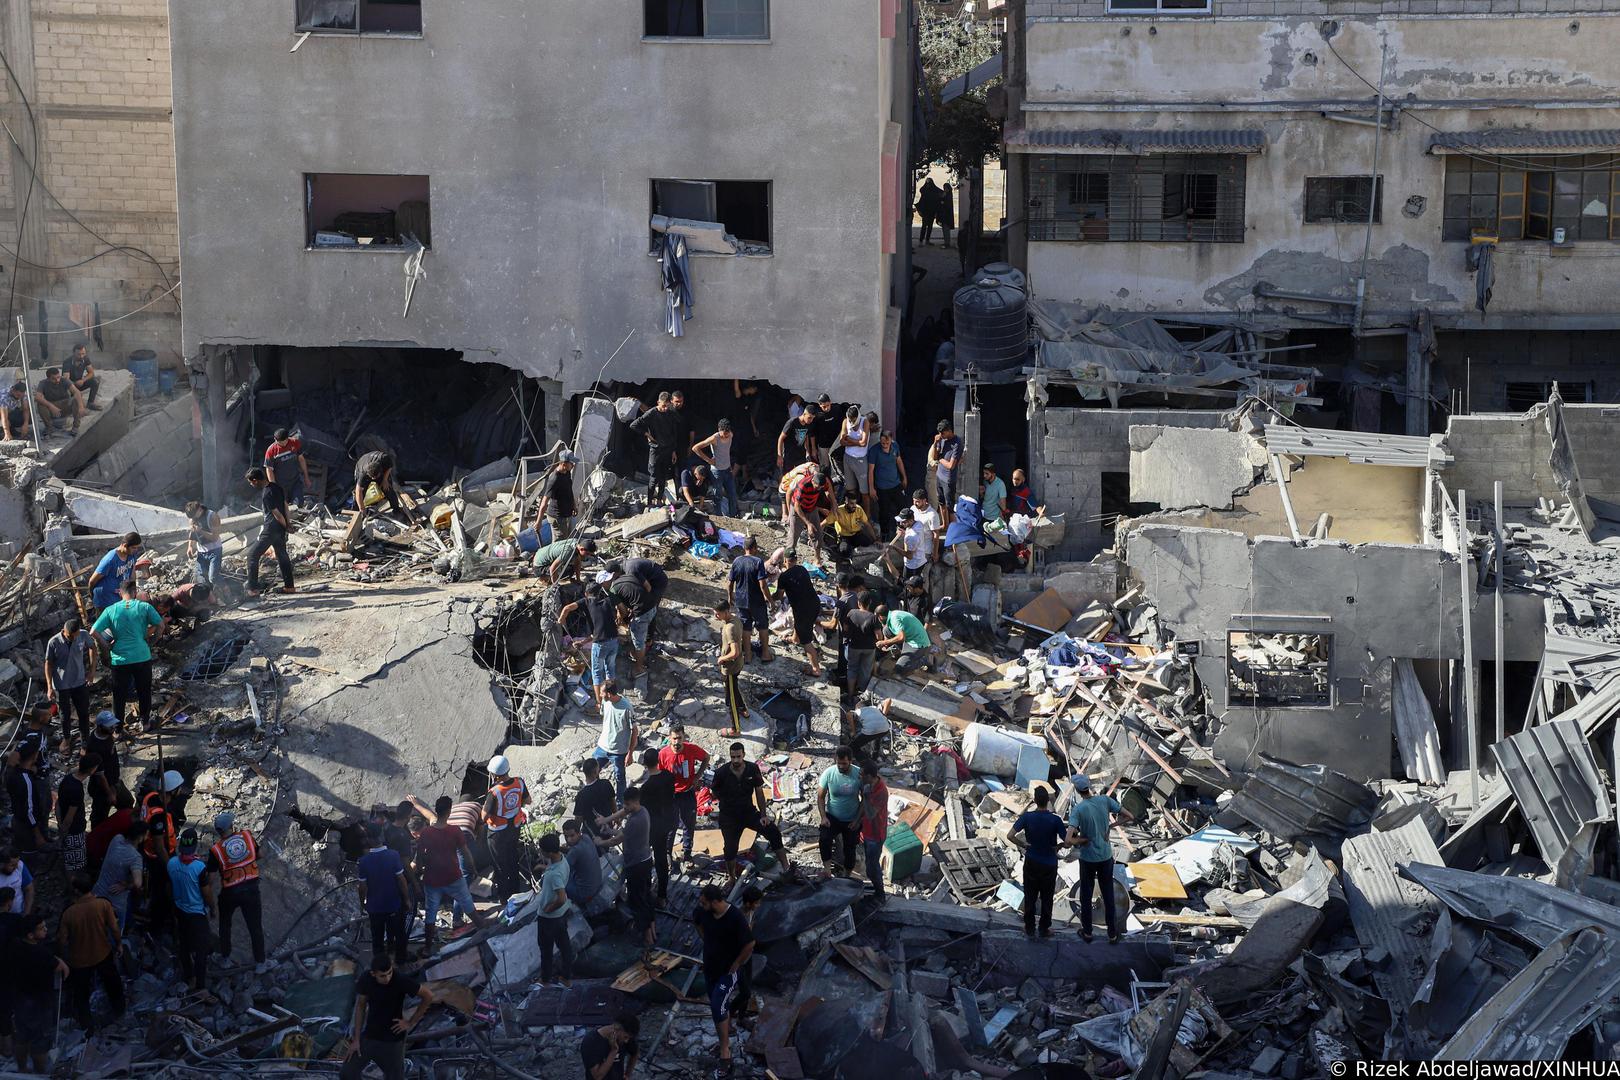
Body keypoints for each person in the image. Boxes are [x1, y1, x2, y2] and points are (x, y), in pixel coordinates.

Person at [694, 882, 754, 1079]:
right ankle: (726, 1029)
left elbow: (750, 943)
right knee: (717, 1004)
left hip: (728, 971)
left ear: (714, 902)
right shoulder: (703, 912)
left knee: (718, 1003)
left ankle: (725, 1052)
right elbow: (698, 923)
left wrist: (737, 963)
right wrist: (708, 942)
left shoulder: (735, 918)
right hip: (710, 967)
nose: (701, 905)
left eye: (704, 903)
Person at [341, 952, 433, 1080]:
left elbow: (428, 995)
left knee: (395, 1077)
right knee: (347, 1072)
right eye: (382, 976)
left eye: (389, 973)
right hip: (370, 1036)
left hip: (393, 1040)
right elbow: (361, 1006)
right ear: (373, 974)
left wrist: (410, 1022)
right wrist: (356, 1039)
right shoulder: (366, 979)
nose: (388, 978)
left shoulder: (400, 980)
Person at [1066, 773, 1135, 944]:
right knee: (1108, 894)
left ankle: (1088, 932)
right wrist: (1110, 826)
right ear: (1088, 787)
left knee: (1086, 894)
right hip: (1105, 857)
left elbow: (1068, 840)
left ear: (1077, 790)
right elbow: (1129, 816)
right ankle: (1112, 934)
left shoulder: (1078, 810)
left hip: (1088, 859)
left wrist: (1080, 840)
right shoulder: (1105, 800)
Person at [415, 796, 486, 953]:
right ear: (449, 811)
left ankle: (427, 947)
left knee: (431, 912)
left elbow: (419, 856)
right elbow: (465, 853)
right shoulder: (455, 831)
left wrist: (420, 871)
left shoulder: (426, 833)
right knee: (469, 906)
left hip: (432, 879)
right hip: (454, 877)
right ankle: (486, 936)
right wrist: (473, 869)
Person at [711, 742, 788, 884]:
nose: (735, 760)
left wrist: (764, 815)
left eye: (738, 757)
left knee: (773, 831)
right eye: (733, 757)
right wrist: (725, 800)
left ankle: (786, 868)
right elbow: (714, 791)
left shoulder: (752, 769)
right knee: (730, 848)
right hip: (729, 816)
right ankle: (732, 877)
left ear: (743, 755)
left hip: (748, 812)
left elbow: (759, 792)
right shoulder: (721, 772)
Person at [92, 579, 161, 731]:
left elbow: (94, 632)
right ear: (135, 592)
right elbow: (160, 625)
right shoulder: (144, 607)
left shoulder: (111, 609)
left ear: (120, 593)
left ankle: (117, 730)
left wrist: (107, 648)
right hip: (142, 656)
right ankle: (146, 723)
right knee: (144, 691)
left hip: (120, 660)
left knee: (119, 695)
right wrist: (151, 642)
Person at [58, 873, 123, 1031]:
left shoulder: (69, 913)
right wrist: (119, 944)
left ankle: (87, 1026)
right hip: (103, 953)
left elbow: (62, 941)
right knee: (113, 985)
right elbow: (114, 928)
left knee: (81, 995)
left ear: (77, 892)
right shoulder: (103, 904)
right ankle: (120, 1013)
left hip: (79, 960)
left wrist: (63, 958)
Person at [207, 812, 269, 974]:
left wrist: (207, 899)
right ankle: (261, 963)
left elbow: (211, 878)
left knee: (225, 925)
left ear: (219, 831)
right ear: (231, 826)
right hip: (250, 888)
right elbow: (260, 854)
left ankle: (225, 958)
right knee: (255, 926)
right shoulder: (246, 836)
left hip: (230, 892)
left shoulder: (215, 850)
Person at [597, 788, 656, 953]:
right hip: (645, 860)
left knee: (637, 902)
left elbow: (616, 840)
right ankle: (652, 930)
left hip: (636, 865)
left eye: (627, 804)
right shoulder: (643, 812)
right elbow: (623, 833)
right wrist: (608, 827)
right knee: (646, 897)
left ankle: (647, 939)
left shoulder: (634, 821)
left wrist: (599, 842)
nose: (625, 807)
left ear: (635, 802)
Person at [6, 913, 65, 1073]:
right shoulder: (41, 953)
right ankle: (40, 1073)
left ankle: (22, 1068)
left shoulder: (15, 946)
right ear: (31, 935)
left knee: (22, 1036)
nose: (46, 930)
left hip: (19, 997)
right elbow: (61, 968)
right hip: (39, 1000)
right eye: (41, 928)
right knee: (40, 1040)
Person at [1012, 787, 1067, 939]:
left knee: (1030, 894)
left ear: (1035, 800)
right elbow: (1067, 842)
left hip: (1031, 861)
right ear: (1048, 801)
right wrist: (1059, 847)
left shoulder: (1027, 817)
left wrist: (1023, 845)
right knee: (1047, 897)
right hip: (1049, 863)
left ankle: (1029, 927)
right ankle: (1044, 929)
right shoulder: (1055, 819)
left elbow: (1010, 835)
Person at [561, 573, 620, 711]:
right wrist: (582, 643)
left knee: (597, 673)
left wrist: (562, 619)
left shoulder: (586, 601)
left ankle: (600, 704)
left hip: (600, 644)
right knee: (610, 669)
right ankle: (612, 697)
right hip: (614, 641)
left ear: (587, 593)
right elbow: (597, 633)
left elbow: (567, 608)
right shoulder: (606, 601)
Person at [168, 828, 216, 990]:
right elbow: (207, 893)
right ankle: (200, 987)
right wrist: (213, 908)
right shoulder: (199, 868)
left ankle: (188, 976)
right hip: (196, 913)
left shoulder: (172, 863)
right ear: (195, 846)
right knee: (201, 949)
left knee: (184, 944)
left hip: (179, 910)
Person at [139, 770, 184, 935]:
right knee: (162, 892)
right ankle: (156, 926)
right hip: (158, 857)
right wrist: (171, 866)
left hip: (148, 849)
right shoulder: (159, 816)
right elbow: (159, 847)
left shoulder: (151, 796)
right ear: (173, 791)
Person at [357, 825, 410, 964]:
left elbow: (362, 887)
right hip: (393, 905)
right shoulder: (393, 855)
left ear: (368, 839)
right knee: (399, 934)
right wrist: (407, 899)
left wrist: (362, 903)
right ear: (382, 837)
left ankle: (380, 965)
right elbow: (401, 880)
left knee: (377, 938)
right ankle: (400, 961)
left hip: (375, 908)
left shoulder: (364, 861)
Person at [659, 724, 709, 868]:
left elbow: (706, 757)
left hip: (687, 793)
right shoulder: (663, 754)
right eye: (674, 738)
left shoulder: (691, 749)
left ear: (683, 737)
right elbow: (659, 773)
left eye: (679, 738)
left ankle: (687, 854)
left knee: (689, 824)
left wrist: (698, 776)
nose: (676, 742)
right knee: (670, 825)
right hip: (671, 796)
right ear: (669, 738)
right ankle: (667, 853)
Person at [608, 557, 668, 673]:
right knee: (650, 610)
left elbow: (648, 588)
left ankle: (648, 642)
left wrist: (642, 605)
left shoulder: (631, 570)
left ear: (615, 573)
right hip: (650, 582)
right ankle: (647, 637)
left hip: (657, 582)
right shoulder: (626, 568)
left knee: (649, 615)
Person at [483, 755, 530, 902]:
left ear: (494, 775)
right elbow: (528, 800)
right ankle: (516, 890)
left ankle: (504, 896)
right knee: (512, 858)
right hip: (514, 827)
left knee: (500, 864)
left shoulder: (494, 792)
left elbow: (483, 816)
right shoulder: (519, 782)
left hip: (497, 833)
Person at [244, 466, 295, 597]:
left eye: (251, 482)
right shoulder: (276, 487)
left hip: (271, 528)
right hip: (279, 528)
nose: (251, 485)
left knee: (252, 556)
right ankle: (289, 587)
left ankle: (253, 590)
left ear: (255, 480)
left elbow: (277, 514)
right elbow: (285, 506)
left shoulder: (266, 493)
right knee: (282, 555)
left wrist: (286, 526)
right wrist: (288, 524)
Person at [771, 549, 823, 678]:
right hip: (815, 604)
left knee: (807, 642)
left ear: (785, 561)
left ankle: (816, 669)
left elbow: (779, 595)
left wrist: (769, 596)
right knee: (799, 621)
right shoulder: (802, 569)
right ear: (796, 559)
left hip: (803, 610)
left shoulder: (784, 577)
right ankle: (795, 638)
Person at [629, 391, 685, 508]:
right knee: (653, 477)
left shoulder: (671, 413)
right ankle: (650, 502)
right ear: (658, 402)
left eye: (667, 406)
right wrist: (647, 435)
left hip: (668, 449)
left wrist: (674, 450)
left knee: (663, 477)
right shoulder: (651, 413)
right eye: (663, 406)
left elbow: (674, 432)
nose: (665, 408)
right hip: (655, 449)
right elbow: (634, 425)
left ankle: (659, 500)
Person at [44, 617, 96, 743]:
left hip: (79, 681)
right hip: (62, 684)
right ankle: (66, 739)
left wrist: (92, 671)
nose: (73, 638)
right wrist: (49, 687)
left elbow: (93, 648)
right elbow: (48, 664)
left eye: (75, 636)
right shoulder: (54, 642)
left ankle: (85, 739)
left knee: (83, 712)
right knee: (64, 714)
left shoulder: (82, 635)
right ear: (64, 631)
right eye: (70, 636)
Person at [534, 833, 574, 987]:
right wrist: (545, 867)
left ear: (549, 852)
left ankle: (545, 980)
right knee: (564, 946)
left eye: (542, 850)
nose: (540, 852)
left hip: (549, 917)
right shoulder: (563, 860)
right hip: (562, 913)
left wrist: (548, 909)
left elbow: (561, 897)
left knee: (546, 950)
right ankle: (566, 977)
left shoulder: (554, 874)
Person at [817, 746, 863, 876]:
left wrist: (857, 820)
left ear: (851, 761)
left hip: (851, 819)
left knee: (850, 848)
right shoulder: (828, 773)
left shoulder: (858, 774)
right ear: (835, 760)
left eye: (844, 763)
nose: (841, 766)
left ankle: (847, 873)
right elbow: (820, 797)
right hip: (832, 817)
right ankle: (827, 869)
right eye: (839, 763)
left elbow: (865, 799)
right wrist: (823, 817)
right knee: (824, 839)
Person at [726, 535, 772, 665]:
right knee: (762, 626)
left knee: (746, 628)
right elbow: (763, 585)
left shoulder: (736, 561)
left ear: (744, 547)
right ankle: (765, 654)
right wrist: (771, 601)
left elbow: (729, 583)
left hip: (741, 601)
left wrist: (730, 597)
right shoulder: (758, 562)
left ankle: (748, 656)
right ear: (755, 548)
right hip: (756, 601)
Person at [638, 748, 677, 901]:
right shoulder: (668, 776)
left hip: (652, 827)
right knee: (661, 859)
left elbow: (641, 808)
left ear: (645, 765)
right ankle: (662, 895)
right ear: (658, 760)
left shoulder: (647, 787)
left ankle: (646, 891)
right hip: (667, 822)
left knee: (646, 858)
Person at [92, 819, 145, 931]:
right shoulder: (135, 858)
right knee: (115, 930)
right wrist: (126, 886)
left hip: (98, 892)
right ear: (141, 838)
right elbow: (138, 883)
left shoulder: (117, 839)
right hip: (115, 902)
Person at [594, 680, 637, 799]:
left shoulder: (626, 708)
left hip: (618, 751)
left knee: (620, 778)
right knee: (593, 770)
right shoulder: (605, 701)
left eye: (602, 693)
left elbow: (634, 731)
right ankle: (597, 796)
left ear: (609, 694)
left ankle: (620, 805)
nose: (600, 695)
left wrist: (630, 753)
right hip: (602, 746)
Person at [713, 601, 750, 737]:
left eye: (718, 613)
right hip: (738, 665)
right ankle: (743, 709)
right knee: (734, 689)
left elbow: (735, 652)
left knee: (730, 699)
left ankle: (735, 729)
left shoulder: (729, 628)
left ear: (726, 612)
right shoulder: (736, 619)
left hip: (730, 668)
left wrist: (722, 658)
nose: (716, 616)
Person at [692, 419, 739, 517]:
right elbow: (695, 448)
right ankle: (719, 517)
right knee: (718, 496)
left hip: (727, 469)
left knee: (732, 495)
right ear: (719, 430)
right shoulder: (714, 438)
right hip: (717, 471)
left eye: (727, 434)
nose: (725, 436)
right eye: (723, 434)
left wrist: (729, 465)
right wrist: (709, 460)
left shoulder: (731, 435)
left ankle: (733, 517)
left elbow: (726, 451)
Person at [857, 760, 889, 904]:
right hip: (867, 832)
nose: (860, 777)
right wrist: (857, 821)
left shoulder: (881, 791)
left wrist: (866, 795)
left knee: (872, 867)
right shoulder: (869, 784)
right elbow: (864, 808)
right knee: (870, 864)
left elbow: (870, 813)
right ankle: (877, 890)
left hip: (876, 835)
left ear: (870, 776)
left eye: (862, 775)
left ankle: (880, 894)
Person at [353, 448, 414, 523]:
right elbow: (358, 490)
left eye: (375, 478)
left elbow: (389, 467)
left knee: (388, 489)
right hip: (361, 465)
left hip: (377, 467)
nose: (373, 479)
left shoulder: (384, 458)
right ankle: (355, 513)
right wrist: (362, 508)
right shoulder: (363, 474)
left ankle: (396, 510)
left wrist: (385, 480)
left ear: (381, 470)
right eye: (372, 478)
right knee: (359, 494)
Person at [58, 754, 96, 875]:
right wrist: (65, 829)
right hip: (74, 831)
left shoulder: (68, 779)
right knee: (75, 865)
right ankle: (74, 888)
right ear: (92, 769)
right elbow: (70, 816)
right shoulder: (77, 789)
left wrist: (60, 824)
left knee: (69, 860)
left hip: (66, 827)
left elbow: (58, 804)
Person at [560, 819, 606, 917]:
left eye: (572, 836)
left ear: (579, 833)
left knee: (557, 882)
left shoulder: (575, 851)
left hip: (585, 893)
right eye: (566, 836)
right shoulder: (586, 837)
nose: (568, 840)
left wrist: (545, 866)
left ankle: (566, 911)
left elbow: (561, 871)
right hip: (597, 883)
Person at [4, 748, 47, 853]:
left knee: (20, 853)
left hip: (17, 821)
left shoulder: (12, 774)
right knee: (29, 855)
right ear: (34, 756)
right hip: (26, 827)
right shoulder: (26, 780)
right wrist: (38, 835)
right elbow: (29, 810)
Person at [868, 428, 908, 539]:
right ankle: (885, 533)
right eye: (882, 443)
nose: (884, 445)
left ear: (891, 440)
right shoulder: (874, 451)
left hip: (896, 484)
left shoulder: (895, 446)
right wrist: (871, 488)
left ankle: (902, 530)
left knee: (902, 507)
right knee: (884, 512)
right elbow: (871, 470)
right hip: (882, 487)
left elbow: (899, 461)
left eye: (887, 443)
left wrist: (904, 477)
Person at [842, 592, 882, 702]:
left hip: (854, 646)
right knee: (865, 670)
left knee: (852, 668)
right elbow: (879, 636)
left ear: (858, 603)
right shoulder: (873, 617)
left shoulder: (851, 613)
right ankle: (862, 695)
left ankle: (850, 694)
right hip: (869, 648)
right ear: (869, 603)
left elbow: (845, 628)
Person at [88, 532, 142, 612]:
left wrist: (133, 590)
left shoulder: (131, 554)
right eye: (134, 548)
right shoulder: (110, 560)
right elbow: (92, 580)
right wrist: (91, 595)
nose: (136, 550)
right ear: (124, 545)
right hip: (105, 599)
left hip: (119, 595)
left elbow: (132, 572)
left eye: (137, 548)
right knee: (106, 623)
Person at [85, 712, 121, 827]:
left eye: (113, 724)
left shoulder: (106, 734)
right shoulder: (95, 747)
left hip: (114, 780)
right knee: (99, 816)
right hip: (102, 787)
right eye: (110, 725)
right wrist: (110, 793)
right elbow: (100, 775)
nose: (113, 727)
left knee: (127, 801)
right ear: (100, 726)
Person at [876, 603, 934, 674]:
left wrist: (884, 642)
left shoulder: (894, 619)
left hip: (918, 643)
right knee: (886, 630)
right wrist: (886, 642)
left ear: (880, 617)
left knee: (900, 668)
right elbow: (889, 631)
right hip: (911, 636)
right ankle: (898, 652)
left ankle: (925, 660)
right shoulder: (892, 614)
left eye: (878, 618)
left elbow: (901, 637)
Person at [580, 1011, 640, 1080]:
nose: (626, 1041)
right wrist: (613, 1051)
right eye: (625, 1037)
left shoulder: (624, 1038)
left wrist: (627, 1075)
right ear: (617, 1029)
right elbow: (597, 1076)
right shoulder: (591, 1041)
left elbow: (635, 1053)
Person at [786, 466, 831, 558]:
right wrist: (808, 523)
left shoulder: (823, 482)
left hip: (811, 507)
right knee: (794, 535)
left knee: (817, 533)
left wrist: (834, 505)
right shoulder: (802, 485)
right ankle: (788, 560)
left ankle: (817, 559)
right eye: (817, 487)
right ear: (813, 482)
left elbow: (828, 490)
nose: (819, 489)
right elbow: (797, 506)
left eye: (820, 488)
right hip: (798, 509)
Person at [533, 453, 579, 541]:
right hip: (557, 517)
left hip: (566, 514)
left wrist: (574, 505)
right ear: (564, 464)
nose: (573, 465)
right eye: (571, 463)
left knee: (567, 539)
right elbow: (544, 502)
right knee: (559, 543)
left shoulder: (567, 472)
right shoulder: (554, 479)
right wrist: (539, 522)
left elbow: (569, 490)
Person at [573, 756, 617, 842]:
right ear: (596, 771)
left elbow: (578, 818)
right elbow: (613, 802)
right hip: (607, 825)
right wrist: (616, 817)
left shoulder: (581, 795)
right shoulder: (606, 784)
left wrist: (576, 835)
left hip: (591, 833)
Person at [822, 491, 876, 561]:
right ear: (846, 502)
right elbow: (823, 524)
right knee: (844, 551)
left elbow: (867, 524)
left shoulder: (858, 509)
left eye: (855, 503)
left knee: (868, 543)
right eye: (851, 503)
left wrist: (875, 539)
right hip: (844, 536)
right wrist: (819, 540)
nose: (854, 506)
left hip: (856, 534)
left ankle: (851, 547)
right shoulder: (838, 511)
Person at [264, 427, 311, 507]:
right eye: (279, 442)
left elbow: (301, 459)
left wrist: (306, 477)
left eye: (284, 442)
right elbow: (269, 470)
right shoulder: (271, 451)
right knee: (283, 506)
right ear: (275, 439)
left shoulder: (295, 443)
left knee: (298, 504)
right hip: (281, 485)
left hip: (295, 482)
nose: (282, 444)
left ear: (287, 438)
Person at [184, 502, 225, 586]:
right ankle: (210, 595)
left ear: (200, 510)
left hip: (215, 550)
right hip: (201, 551)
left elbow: (214, 538)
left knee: (213, 577)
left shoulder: (213, 517)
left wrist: (201, 531)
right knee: (202, 576)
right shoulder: (193, 519)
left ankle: (226, 589)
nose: (193, 519)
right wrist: (190, 546)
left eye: (194, 516)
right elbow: (192, 533)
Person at [34, 366, 86, 433]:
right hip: (52, 406)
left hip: (65, 404)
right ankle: (49, 427)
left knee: (75, 400)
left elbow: (76, 392)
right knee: (40, 404)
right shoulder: (43, 383)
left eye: (58, 377)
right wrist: (51, 406)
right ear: (48, 378)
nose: (57, 380)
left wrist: (81, 406)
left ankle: (75, 427)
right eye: (54, 379)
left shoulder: (64, 380)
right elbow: (37, 397)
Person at [929, 421, 961, 525]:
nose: (941, 436)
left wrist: (941, 459)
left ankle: (953, 530)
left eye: (943, 433)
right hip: (939, 475)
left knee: (950, 506)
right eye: (940, 434)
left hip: (948, 479)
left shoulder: (957, 443)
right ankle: (944, 524)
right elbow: (934, 457)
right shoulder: (942, 440)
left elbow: (951, 466)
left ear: (949, 431)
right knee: (941, 503)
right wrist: (935, 443)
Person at [775, 406, 817, 476]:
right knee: (787, 475)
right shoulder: (792, 422)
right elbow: (781, 438)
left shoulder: (809, 424)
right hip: (789, 454)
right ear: (804, 414)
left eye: (813, 418)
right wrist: (779, 456)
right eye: (809, 417)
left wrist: (808, 452)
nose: (811, 420)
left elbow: (806, 437)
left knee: (801, 475)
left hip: (801, 454)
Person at [65, 343, 100, 410]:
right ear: (74, 353)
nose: (81, 356)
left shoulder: (85, 359)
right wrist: (75, 387)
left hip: (80, 382)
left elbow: (91, 373)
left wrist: (83, 380)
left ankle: (90, 403)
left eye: (83, 354)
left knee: (95, 381)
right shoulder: (67, 362)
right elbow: (66, 380)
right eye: (79, 354)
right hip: (70, 386)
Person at [0, 850, 34, 915]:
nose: (16, 867)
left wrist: (26, 913)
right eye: (12, 865)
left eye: (17, 863)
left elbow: (29, 890)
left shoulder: (20, 866)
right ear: (2, 864)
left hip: (18, 914)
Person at [980, 461, 1009, 529]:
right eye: (984, 473)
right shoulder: (985, 482)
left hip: (993, 519)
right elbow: (985, 498)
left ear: (993, 474)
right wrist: (981, 493)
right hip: (983, 515)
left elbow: (1003, 506)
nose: (984, 476)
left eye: (987, 474)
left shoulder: (1000, 484)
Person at [917, 177, 942, 246]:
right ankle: (921, 241)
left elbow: (940, 193)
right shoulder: (924, 191)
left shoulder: (933, 191)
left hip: (931, 212)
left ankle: (927, 240)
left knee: (929, 226)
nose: (928, 184)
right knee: (924, 226)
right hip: (926, 212)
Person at [940, 181, 956, 247]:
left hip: (947, 216)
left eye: (946, 188)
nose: (945, 189)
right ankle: (946, 242)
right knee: (944, 229)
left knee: (946, 229)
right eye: (944, 188)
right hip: (944, 215)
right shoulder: (946, 194)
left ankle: (947, 243)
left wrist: (943, 200)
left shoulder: (948, 195)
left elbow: (947, 205)